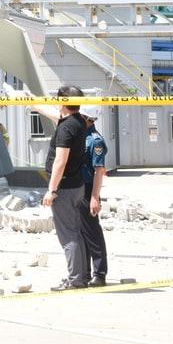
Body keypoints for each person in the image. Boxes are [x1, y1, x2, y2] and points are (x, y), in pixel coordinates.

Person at [42, 84, 93, 291]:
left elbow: (60, 161)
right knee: (75, 231)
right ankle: (81, 276)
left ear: (62, 101)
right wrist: (30, 101)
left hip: (64, 188)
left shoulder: (65, 128)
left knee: (68, 235)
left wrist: (51, 190)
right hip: (76, 185)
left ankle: (75, 279)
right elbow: (55, 114)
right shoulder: (78, 121)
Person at [79, 107, 109, 288]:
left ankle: (99, 273)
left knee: (92, 232)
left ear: (87, 119)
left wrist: (94, 198)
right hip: (77, 188)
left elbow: (99, 171)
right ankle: (84, 273)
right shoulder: (80, 136)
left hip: (89, 188)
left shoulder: (95, 140)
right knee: (80, 232)